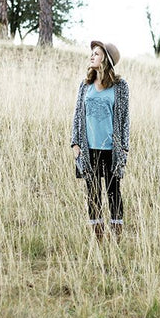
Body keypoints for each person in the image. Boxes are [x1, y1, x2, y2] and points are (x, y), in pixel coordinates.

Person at [70, 41, 130, 241]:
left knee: (113, 193)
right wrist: (75, 144)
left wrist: (124, 148)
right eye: (92, 53)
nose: (91, 56)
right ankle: (98, 239)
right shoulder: (85, 85)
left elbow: (124, 119)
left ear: (106, 59)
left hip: (111, 149)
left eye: (96, 53)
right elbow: (77, 115)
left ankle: (116, 237)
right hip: (89, 149)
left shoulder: (120, 87)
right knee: (92, 193)